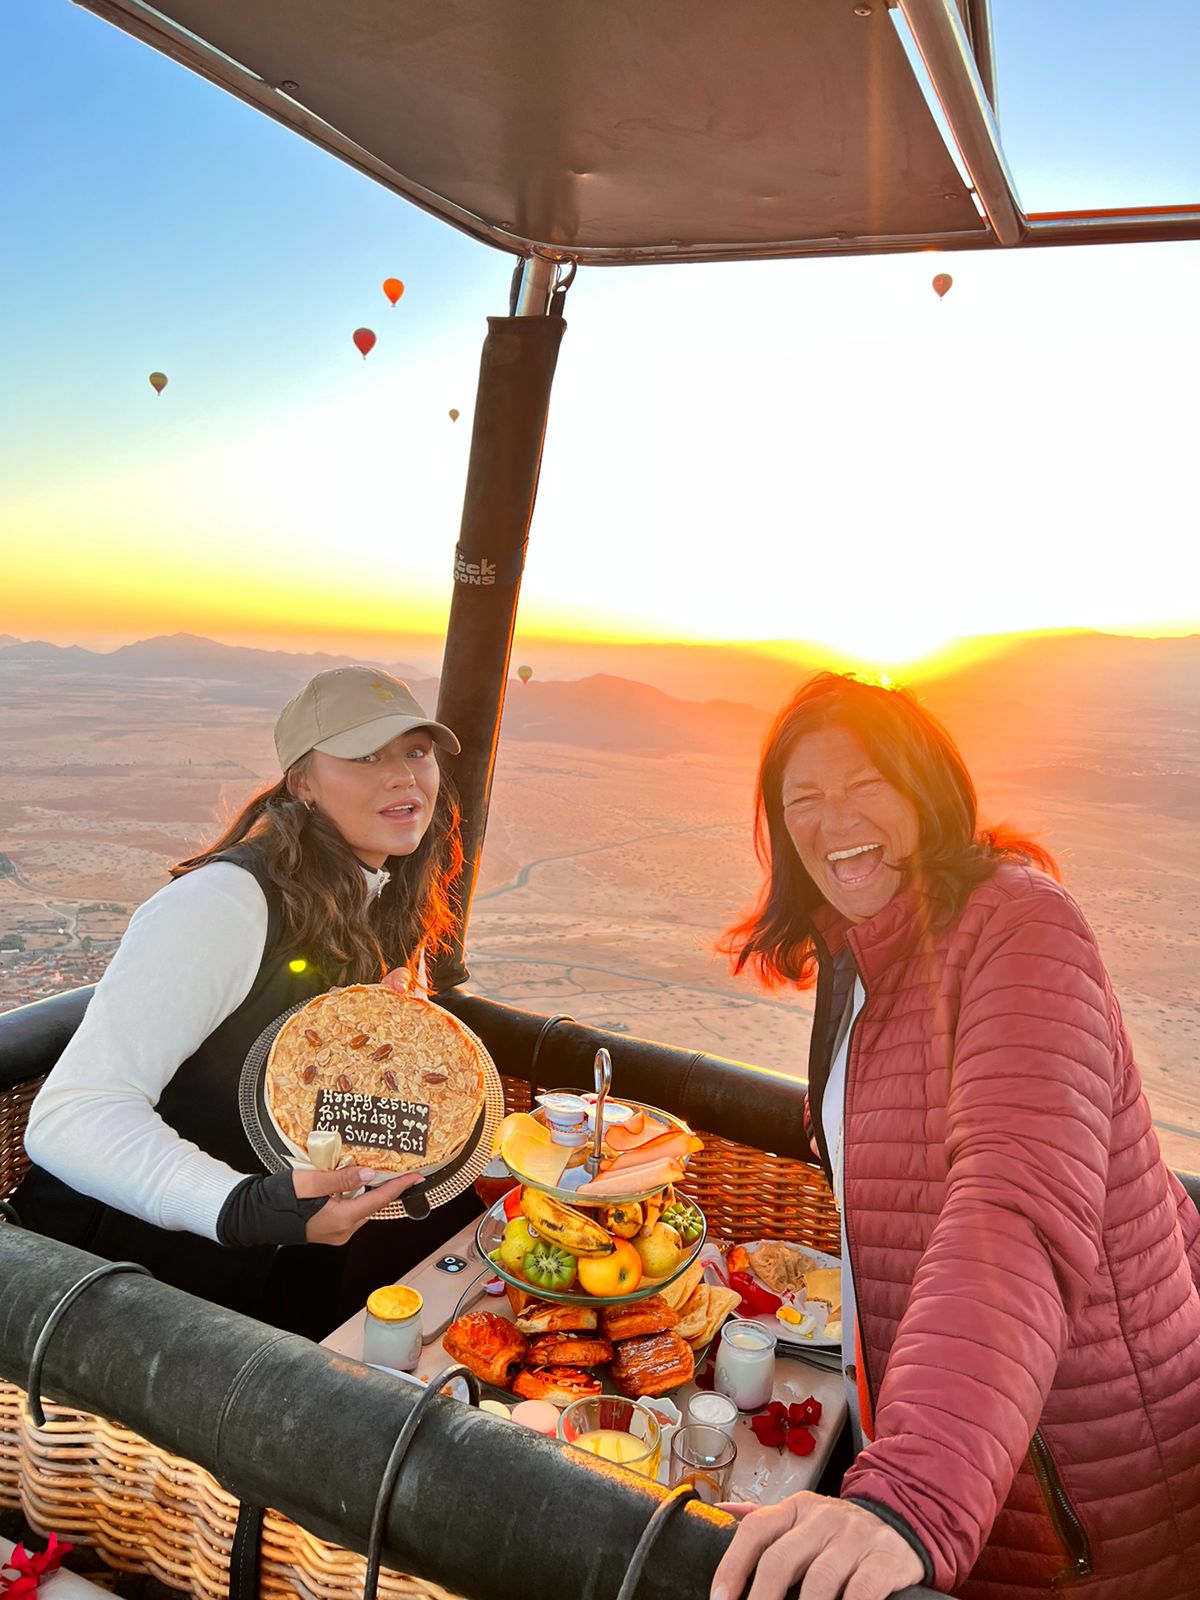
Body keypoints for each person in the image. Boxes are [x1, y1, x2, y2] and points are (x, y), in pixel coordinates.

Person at [711, 673, 1200, 1600]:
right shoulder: (859, 961)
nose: (832, 819)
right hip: (977, 1462)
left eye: (865, 783)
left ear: (927, 788)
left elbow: (1010, 1199)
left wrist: (912, 1497)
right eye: (802, 798)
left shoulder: (1020, 923)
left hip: (1081, 1492)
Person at [19, 666, 479, 1338]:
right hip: (128, 1280)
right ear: (302, 783)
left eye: (416, 751)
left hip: (273, 1261)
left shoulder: (379, 891)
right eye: (364, 756)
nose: (404, 776)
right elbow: (72, 1117)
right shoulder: (223, 904)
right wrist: (242, 1205)